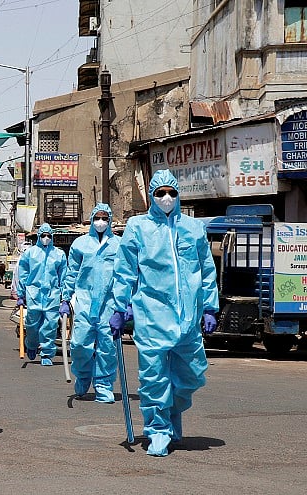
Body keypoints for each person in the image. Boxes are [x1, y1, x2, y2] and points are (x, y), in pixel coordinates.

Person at [110, 169, 218, 457]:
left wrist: (209, 306)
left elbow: (206, 270)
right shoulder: (138, 227)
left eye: (171, 192)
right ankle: (158, 430)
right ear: (152, 197)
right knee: (154, 377)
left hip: (188, 317)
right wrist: (120, 306)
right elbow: (124, 271)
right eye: (160, 193)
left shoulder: (194, 229)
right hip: (152, 313)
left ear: (179, 195)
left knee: (193, 374)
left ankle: (172, 414)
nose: (166, 197)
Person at [60, 204, 120, 403]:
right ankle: (84, 376)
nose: (100, 221)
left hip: (109, 304)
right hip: (84, 303)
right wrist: (65, 298)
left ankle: (103, 384)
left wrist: (125, 304)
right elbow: (71, 273)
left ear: (110, 220)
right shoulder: (80, 244)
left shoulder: (119, 245)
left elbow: (124, 276)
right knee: (79, 344)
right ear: (92, 219)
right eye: (97, 217)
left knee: (107, 347)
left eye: (104, 217)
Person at [16, 223, 67, 365]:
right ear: (38, 236)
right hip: (33, 294)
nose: (46, 238)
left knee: (50, 326)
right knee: (32, 325)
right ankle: (31, 344)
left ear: (52, 237)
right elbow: (23, 274)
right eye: (43, 235)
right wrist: (21, 294)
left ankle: (47, 354)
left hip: (52, 295)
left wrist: (65, 297)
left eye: (48, 236)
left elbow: (63, 276)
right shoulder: (30, 254)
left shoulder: (59, 254)